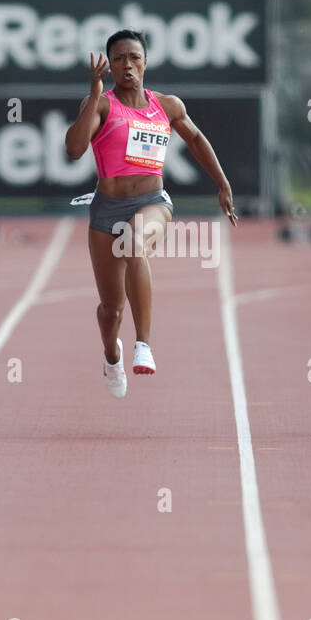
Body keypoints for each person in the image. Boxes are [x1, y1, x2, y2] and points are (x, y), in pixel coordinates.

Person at [65, 29, 237, 397]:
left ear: (145, 62)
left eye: (134, 57)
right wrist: (94, 94)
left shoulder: (167, 105)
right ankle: (112, 354)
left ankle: (144, 344)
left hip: (153, 203)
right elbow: (74, 150)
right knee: (111, 310)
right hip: (106, 209)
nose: (127, 65)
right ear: (109, 66)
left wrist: (222, 183)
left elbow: (196, 139)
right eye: (119, 59)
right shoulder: (102, 104)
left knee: (134, 241)